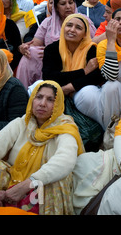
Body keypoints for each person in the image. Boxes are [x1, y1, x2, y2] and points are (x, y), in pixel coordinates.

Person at [0, 80, 84, 215]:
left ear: (58, 105)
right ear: (32, 99)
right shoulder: (21, 123)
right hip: (13, 185)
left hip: (42, 192)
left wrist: (29, 183)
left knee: (56, 179)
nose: (42, 103)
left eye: (50, 100)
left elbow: (65, 161)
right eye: (38, 97)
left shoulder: (65, 128)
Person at [42, 13, 104, 150]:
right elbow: (49, 76)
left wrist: (69, 87)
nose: (72, 30)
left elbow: (96, 76)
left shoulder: (91, 48)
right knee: (36, 88)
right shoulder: (52, 49)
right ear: (63, 27)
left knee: (89, 93)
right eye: (69, 25)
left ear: (84, 34)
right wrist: (83, 72)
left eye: (78, 27)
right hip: (59, 89)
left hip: (79, 93)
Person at [16, 0, 97, 88]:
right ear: (56, 7)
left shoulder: (83, 20)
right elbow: (35, 42)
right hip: (51, 61)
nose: (68, 7)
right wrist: (24, 47)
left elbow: (93, 41)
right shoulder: (48, 22)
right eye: (63, 4)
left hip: (76, 58)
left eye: (70, 3)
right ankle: (24, 91)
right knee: (30, 53)